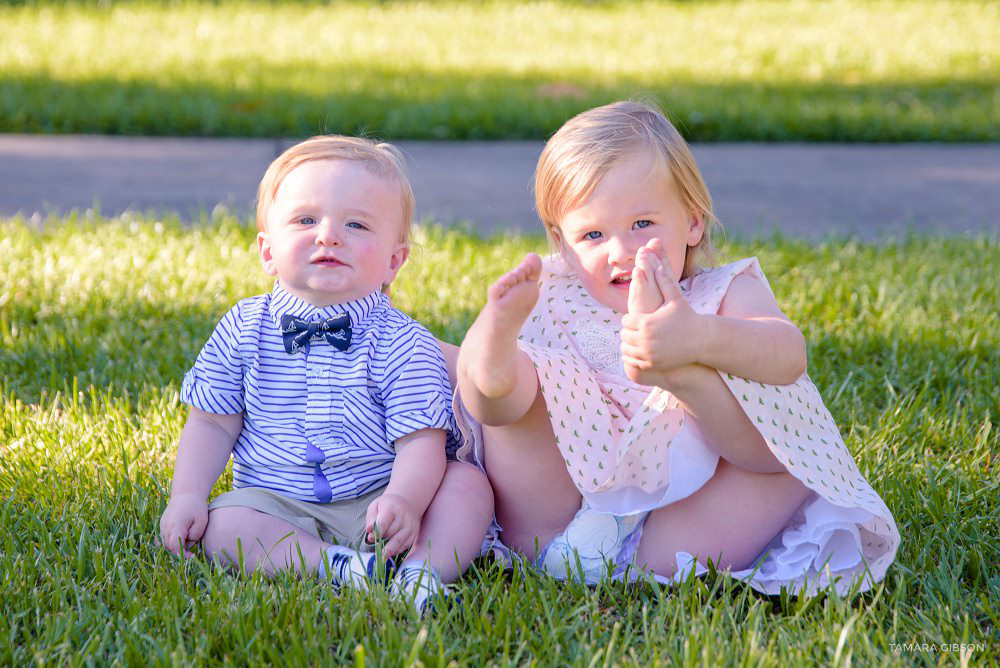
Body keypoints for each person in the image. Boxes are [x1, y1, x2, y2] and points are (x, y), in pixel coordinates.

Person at [455, 101, 898, 593]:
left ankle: (677, 376)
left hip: (675, 525)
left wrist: (697, 340)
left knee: (792, 460)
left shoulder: (723, 292)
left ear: (693, 220)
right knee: (524, 386)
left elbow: (789, 355)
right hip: (550, 515)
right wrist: (508, 354)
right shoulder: (554, 292)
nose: (620, 251)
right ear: (562, 244)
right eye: (593, 234)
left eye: (642, 225)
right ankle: (490, 361)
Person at [159, 135, 494, 613]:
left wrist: (405, 500)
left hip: (380, 495)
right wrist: (187, 495)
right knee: (223, 527)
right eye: (306, 220)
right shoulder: (242, 326)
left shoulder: (402, 340)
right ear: (267, 251)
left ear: (394, 262)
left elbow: (421, 439)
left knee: (467, 488)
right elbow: (211, 422)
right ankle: (337, 565)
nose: (329, 235)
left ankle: (420, 574)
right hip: (278, 503)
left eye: (356, 224)